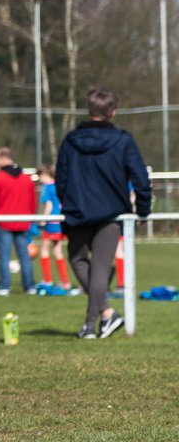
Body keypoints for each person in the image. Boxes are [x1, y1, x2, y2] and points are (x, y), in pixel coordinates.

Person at [55, 87, 152, 339]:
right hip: (109, 212)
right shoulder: (122, 140)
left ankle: (90, 325)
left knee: (81, 261)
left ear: (90, 110)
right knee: (94, 265)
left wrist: (66, 202)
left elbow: (60, 180)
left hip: (81, 211)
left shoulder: (70, 140)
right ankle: (107, 313)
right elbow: (141, 178)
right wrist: (142, 211)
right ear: (113, 112)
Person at [0, 147, 36, 297]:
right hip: (23, 222)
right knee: (24, 255)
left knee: (4, 256)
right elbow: (33, 202)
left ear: (2, 158)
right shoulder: (27, 178)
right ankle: (29, 286)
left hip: (3, 222)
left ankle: (4, 286)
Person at [36, 164, 73, 292]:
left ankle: (47, 280)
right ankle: (65, 282)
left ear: (44, 175)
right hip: (62, 221)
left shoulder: (47, 188)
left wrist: (42, 220)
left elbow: (49, 206)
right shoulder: (62, 185)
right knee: (58, 251)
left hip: (51, 222)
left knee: (44, 250)